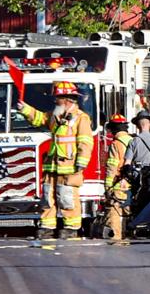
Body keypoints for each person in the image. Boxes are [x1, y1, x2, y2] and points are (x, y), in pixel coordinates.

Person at [18, 81, 95, 239]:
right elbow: (39, 118)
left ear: (68, 99)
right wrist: (24, 108)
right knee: (48, 197)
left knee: (67, 197)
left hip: (69, 166)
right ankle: (47, 226)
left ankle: (71, 227)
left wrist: (81, 163)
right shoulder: (55, 115)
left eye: (58, 98)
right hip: (52, 165)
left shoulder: (82, 118)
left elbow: (86, 142)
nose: (55, 101)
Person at [103, 114, 133, 240]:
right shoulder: (133, 140)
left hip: (119, 184)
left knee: (114, 210)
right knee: (130, 213)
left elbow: (112, 167)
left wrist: (108, 186)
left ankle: (115, 240)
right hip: (133, 183)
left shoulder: (116, 144)